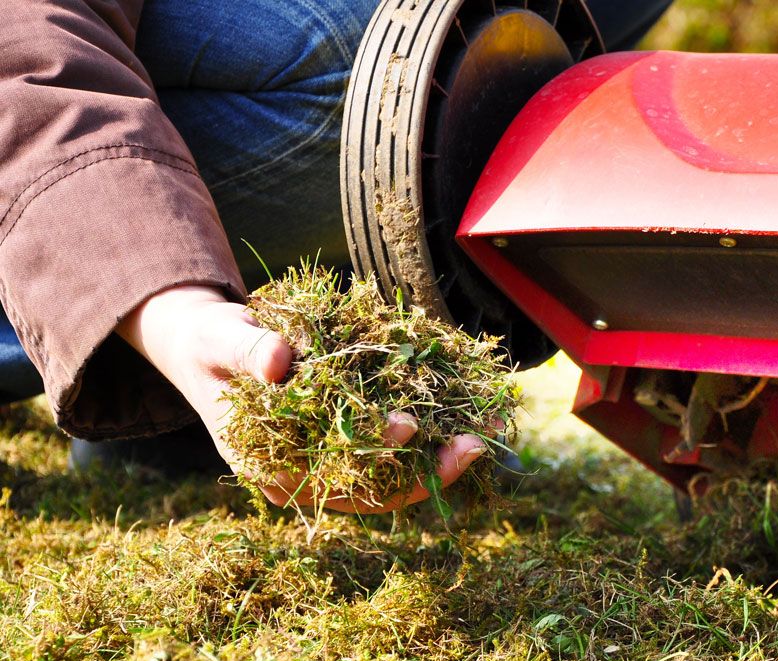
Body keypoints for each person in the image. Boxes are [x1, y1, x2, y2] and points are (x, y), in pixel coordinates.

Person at [0, 0, 672, 512]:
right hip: (34, 108)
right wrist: (170, 311)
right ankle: (122, 339)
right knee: (390, 64)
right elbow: (24, 47)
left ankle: (190, 406)